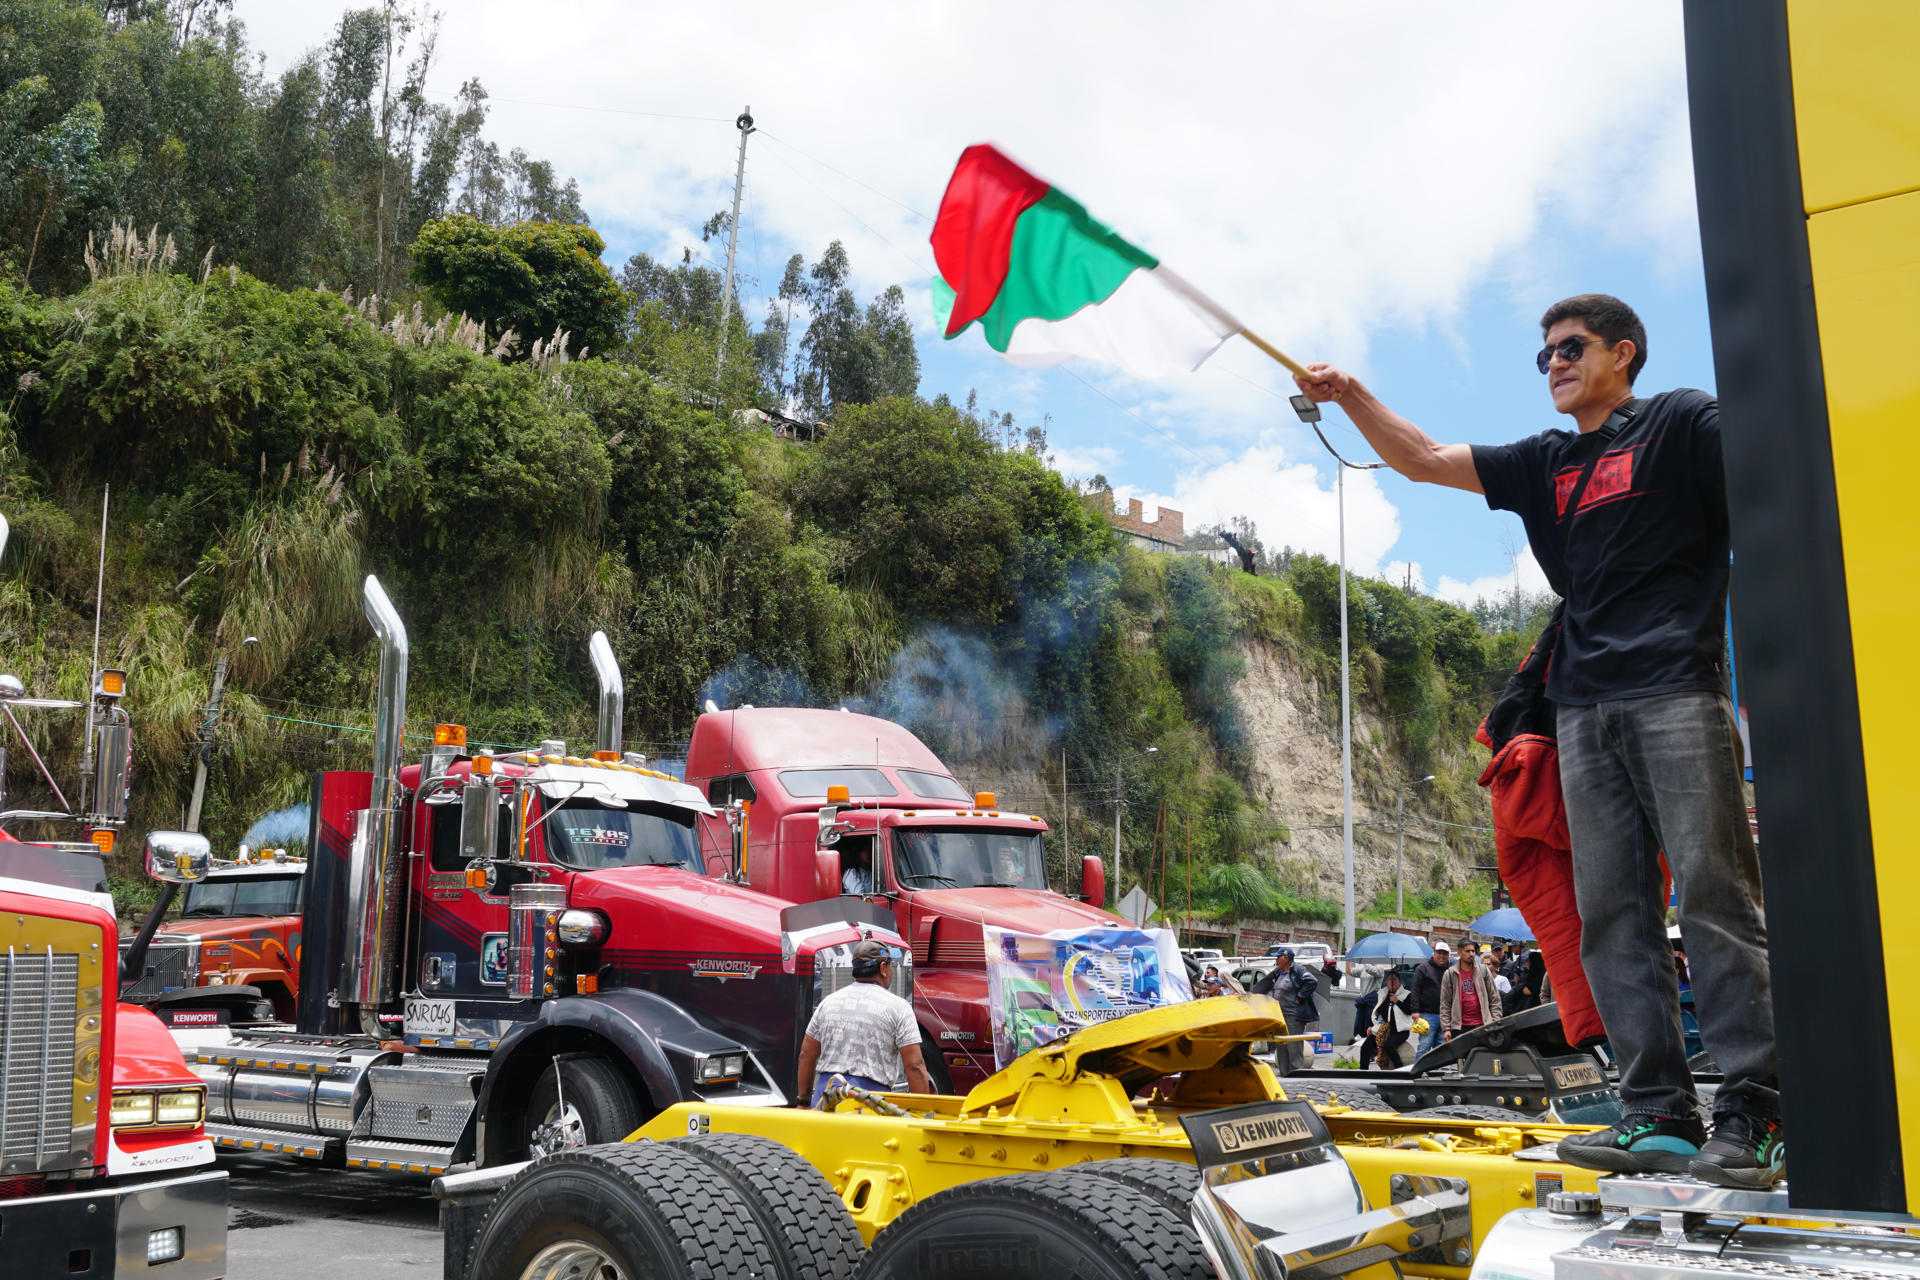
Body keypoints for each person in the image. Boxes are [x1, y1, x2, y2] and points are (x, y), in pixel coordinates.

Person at [1296, 294, 1780, 1185]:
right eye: (1544, 355)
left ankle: (1756, 1111)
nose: (1554, 362)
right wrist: (1352, 393)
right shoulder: (1547, 459)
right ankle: (1659, 1111)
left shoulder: (1681, 422)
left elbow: (1772, 483)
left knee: (1714, 899)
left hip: (1678, 689)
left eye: (1571, 348)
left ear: (1623, 354)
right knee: (1613, 914)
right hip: (1582, 711)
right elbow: (1423, 460)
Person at [796, 940, 932, 1105]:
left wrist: (803, 1102)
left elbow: (806, 1054)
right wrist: (923, 1112)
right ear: (883, 969)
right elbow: (915, 1066)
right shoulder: (899, 1007)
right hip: (869, 1105)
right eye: (890, 965)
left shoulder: (828, 1003)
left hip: (825, 1102)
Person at [1259, 948, 1319, 1073]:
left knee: (1294, 1047)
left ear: (1286, 959)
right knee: (1281, 1046)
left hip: (1293, 1016)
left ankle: (1297, 1075)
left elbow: (1312, 981)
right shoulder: (1278, 973)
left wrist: (1301, 996)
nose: (1276, 960)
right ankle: (1284, 1074)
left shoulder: (1297, 970)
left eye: (1278, 957)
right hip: (1279, 1016)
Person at [1361, 968, 1416, 1069]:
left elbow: (1409, 1011)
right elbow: (1378, 1014)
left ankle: (1399, 1069)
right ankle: (1363, 1071)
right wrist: (1373, 1027)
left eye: (1395, 980)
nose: (1392, 982)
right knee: (1365, 1047)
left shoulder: (1407, 994)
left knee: (1388, 1046)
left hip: (1400, 1030)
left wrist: (1397, 1001)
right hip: (1383, 1029)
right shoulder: (1383, 994)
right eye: (1390, 980)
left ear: (1400, 982)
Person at [1443, 946, 1502, 1041]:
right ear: (1459, 953)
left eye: (1473, 951)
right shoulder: (1450, 974)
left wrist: (1495, 1022)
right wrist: (1446, 1029)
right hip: (1459, 1027)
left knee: (1480, 1055)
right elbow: (1445, 1003)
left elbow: (1495, 999)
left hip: (1482, 1025)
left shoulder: (1483, 971)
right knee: (1460, 1055)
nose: (1471, 954)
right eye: (1467, 951)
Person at [1407, 942, 1450, 1057]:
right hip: (1427, 1015)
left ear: (1448, 955)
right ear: (1434, 953)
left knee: (1441, 1048)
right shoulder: (1423, 968)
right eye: (1439, 952)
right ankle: (1418, 1073)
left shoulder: (1450, 970)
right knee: (1424, 1047)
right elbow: (1415, 990)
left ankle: (1437, 1073)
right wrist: (1415, 1010)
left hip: (1445, 1016)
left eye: (1444, 953)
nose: (1441, 956)